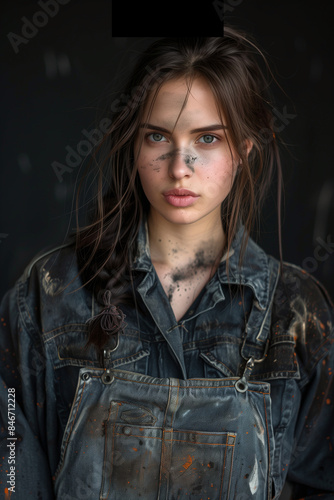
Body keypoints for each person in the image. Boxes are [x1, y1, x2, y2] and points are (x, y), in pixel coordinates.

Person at [0, 29, 333, 500]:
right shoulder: (52, 292)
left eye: (208, 138)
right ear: (133, 146)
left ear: (244, 150)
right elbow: (10, 464)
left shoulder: (296, 316)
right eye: (158, 136)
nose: (180, 165)